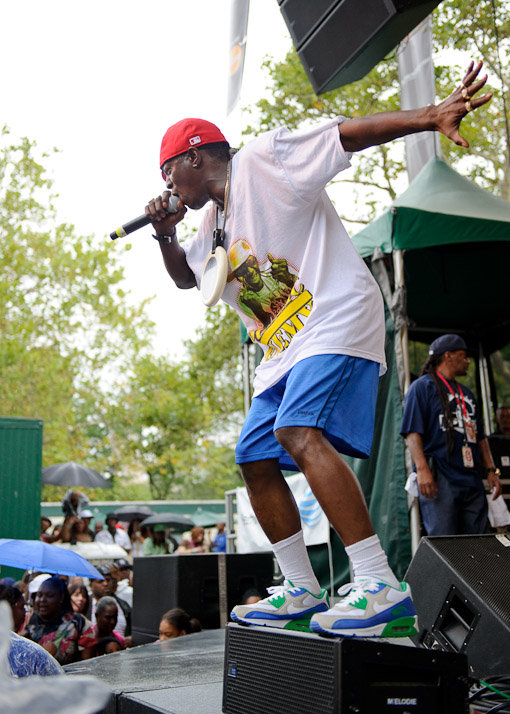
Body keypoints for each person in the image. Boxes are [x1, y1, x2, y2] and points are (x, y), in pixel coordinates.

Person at [145, 61, 492, 638]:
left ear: (194, 157)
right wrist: (164, 234)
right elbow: (187, 279)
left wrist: (431, 115)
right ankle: (302, 587)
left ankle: (380, 583)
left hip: (333, 317)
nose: (165, 185)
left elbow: (348, 133)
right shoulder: (210, 223)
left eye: (166, 171)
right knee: (253, 457)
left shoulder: (262, 161)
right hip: (281, 349)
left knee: (297, 433)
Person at [401, 334, 502, 535]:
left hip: (470, 476)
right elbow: (412, 433)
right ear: (447, 356)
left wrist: (491, 470)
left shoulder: (467, 393)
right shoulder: (422, 387)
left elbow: (480, 437)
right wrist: (422, 469)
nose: (467, 361)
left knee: (477, 541)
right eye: (463, 355)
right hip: (440, 477)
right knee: (446, 542)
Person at [23, 575, 95, 665]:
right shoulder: (32, 620)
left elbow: (88, 665)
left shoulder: (78, 623)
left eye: (49, 595)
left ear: (61, 597)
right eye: (39, 595)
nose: (42, 600)